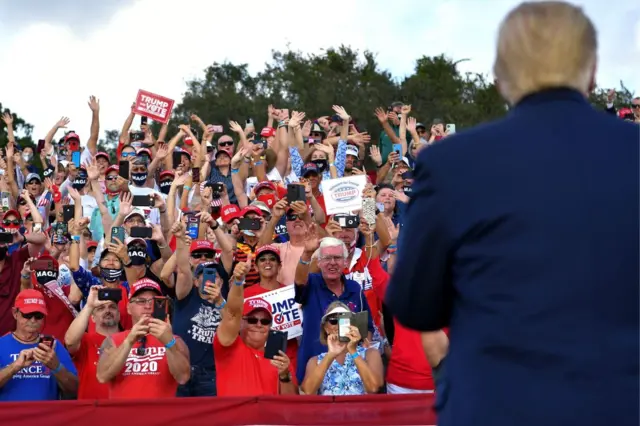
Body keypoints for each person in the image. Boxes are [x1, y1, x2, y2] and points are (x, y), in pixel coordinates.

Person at [386, 2, 639, 426]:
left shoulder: (452, 164)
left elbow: (413, 305)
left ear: (499, 76)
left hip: (495, 407)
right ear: (593, 71)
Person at [294, 233, 375, 384]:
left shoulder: (355, 288)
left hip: (349, 372)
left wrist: (365, 347)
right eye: (326, 258)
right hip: (314, 368)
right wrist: (306, 253)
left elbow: (367, 326)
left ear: (345, 262)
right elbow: (299, 280)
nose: (332, 263)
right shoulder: (311, 282)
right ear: (318, 263)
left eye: (337, 258)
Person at [213, 254, 297, 396]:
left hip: (268, 418)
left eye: (264, 321)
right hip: (235, 418)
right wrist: (239, 282)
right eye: (252, 320)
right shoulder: (229, 347)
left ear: (270, 327)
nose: (258, 324)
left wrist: (284, 376)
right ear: (241, 323)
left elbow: (290, 406)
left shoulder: (279, 360)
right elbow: (233, 313)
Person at [96, 278, 191, 399]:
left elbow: (183, 378)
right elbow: (102, 376)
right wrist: (129, 342)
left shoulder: (175, 340)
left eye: (154, 301)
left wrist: (168, 342)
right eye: (141, 301)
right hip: (123, 415)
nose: (147, 306)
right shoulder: (114, 340)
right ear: (128, 308)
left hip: (161, 415)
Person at [0, 289, 78, 401]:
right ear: (15, 313)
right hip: (10, 417)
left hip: (46, 416)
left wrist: (56, 366)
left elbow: (74, 390)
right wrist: (15, 367)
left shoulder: (54, 346)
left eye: (38, 315)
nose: (32, 320)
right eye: (27, 315)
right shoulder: (2, 344)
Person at [301, 302, 383, 395]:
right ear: (326, 328)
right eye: (333, 321)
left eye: (344, 320)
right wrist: (330, 355)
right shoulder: (315, 361)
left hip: (361, 409)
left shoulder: (370, 353)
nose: (339, 325)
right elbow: (308, 391)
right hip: (330, 409)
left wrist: (353, 350)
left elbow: (373, 388)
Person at [64, 286, 120, 400]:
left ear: (119, 315)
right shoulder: (85, 340)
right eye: (100, 308)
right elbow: (69, 341)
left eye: (112, 307)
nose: (107, 311)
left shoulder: (130, 339)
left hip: (122, 411)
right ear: (92, 318)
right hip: (90, 411)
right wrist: (89, 305)